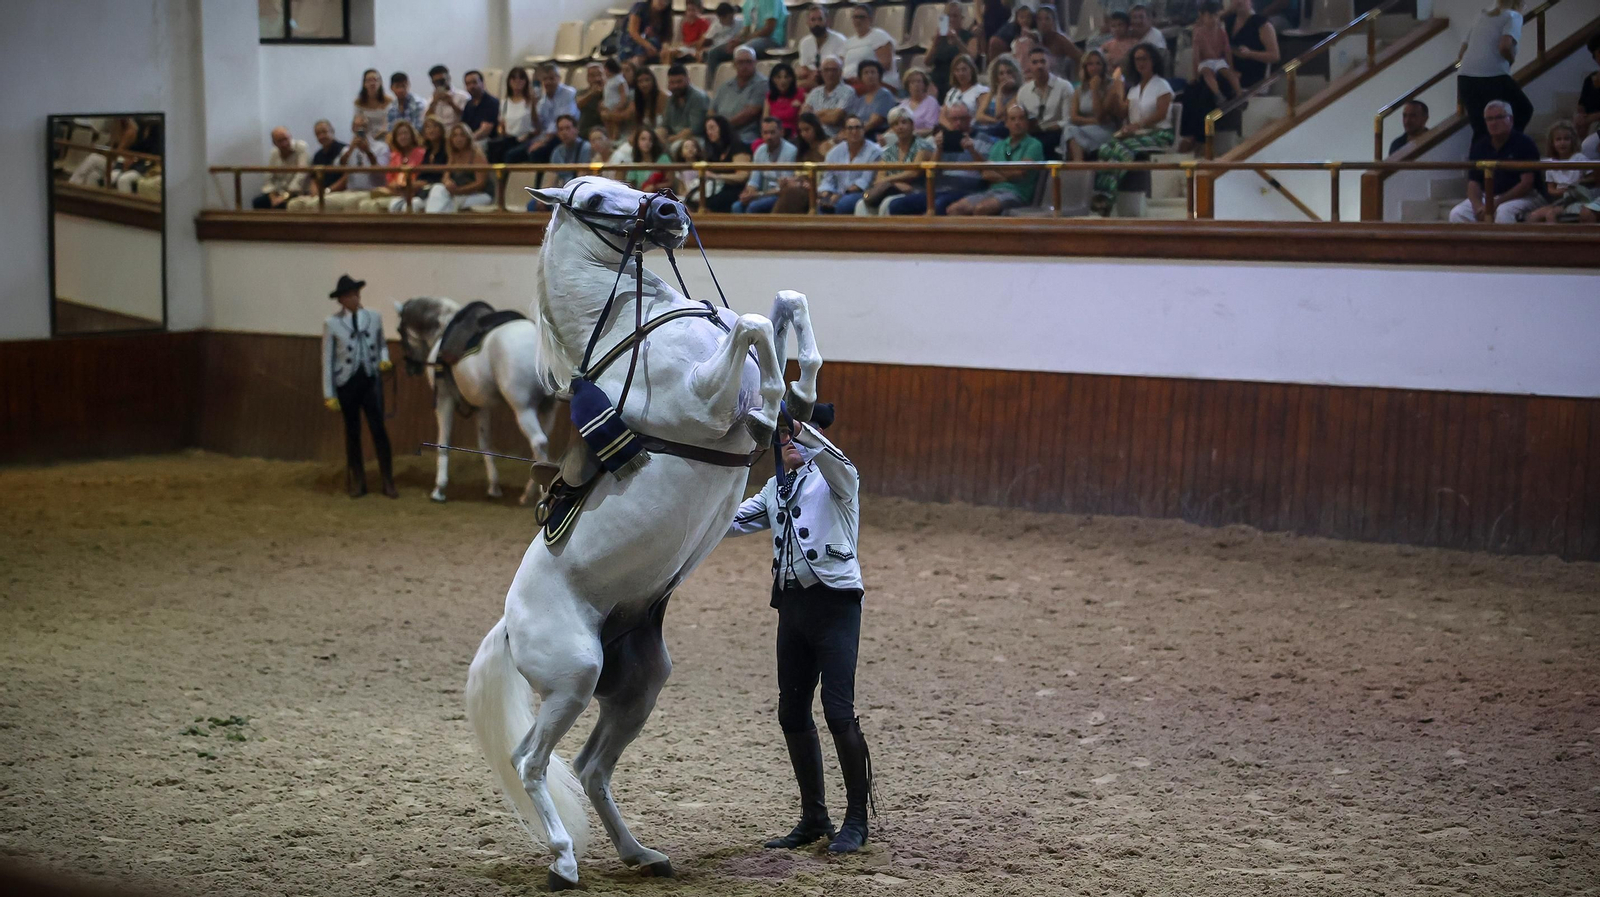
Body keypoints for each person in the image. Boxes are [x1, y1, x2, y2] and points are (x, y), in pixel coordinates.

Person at [726, 408, 874, 856]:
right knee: (791, 713)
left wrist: (800, 428)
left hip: (835, 606)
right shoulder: (775, 489)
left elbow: (834, 461)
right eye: (783, 438)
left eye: (796, 437)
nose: (788, 443)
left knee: (838, 712)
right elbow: (727, 521)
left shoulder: (837, 478)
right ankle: (813, 818)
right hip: (792, 608)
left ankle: (856, 820)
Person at [322, 274, 396, 499]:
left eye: (354, 294)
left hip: (370, 380)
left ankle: (388, 480)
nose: (353, 298)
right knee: (352, 432)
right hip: (347, 382)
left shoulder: (373, 317)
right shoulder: (332, 324)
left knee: (379, 430)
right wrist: (329, 393)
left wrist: (384, 358)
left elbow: (382, 343)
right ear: (341, 300)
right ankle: (358, 481)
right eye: (347, 296)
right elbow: (327, 359)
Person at [1093, 43, 1173, 214]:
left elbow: (1161, 114)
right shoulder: (1134, 89)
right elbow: (1123, 112)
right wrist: (1116, 91)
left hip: (1159, 133)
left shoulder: (1162, 85)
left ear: (1153, 61)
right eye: (1137, 59)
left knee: (1123, 150)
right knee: (1105, 149)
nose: (1140, 63)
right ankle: (1100, 194)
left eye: (1144, 58)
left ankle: (1108, 197)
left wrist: (1138, 125)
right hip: (1137, 134)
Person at [886, 102, 993, 215]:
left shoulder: (983, 139)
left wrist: (972, 150)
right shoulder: (941, 139)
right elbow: (932, 171)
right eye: (954, 119)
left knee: (938, 205)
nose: (958, 123)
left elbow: (987, 171)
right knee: (896, 205)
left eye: (962, 119)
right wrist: (938, 149)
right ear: (948, 120)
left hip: (969, 191)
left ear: (970, 119)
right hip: (940, 189)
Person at [1448, 100, 1545, 223]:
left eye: (1499, 117)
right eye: (1489, 119)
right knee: (1457, 213)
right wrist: (1478, 206)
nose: (1494, 123)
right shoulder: (1480, 146)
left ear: (1511, 119)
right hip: (1488, 196)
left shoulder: (1525, 143)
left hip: (1524, 197)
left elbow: (1526, 183)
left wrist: (1495, 203)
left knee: (1503, 212)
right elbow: (1473, 183)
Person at [1457, 0, 1533, 144]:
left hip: (1465, 77)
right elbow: (1504, 46)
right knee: (1523, 109)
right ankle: (1509, 146)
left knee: (1480, 127)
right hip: (1492, 75)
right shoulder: (1513, 16)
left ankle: (1479, 162)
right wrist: (1510, 61)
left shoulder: (1482, 15)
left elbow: (1462, 53)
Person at [948, 104, 1044, 215]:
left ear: (1027, 122)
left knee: (981, 208)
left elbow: (1019, 172)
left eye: (1021, 118)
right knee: (954, 209)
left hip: (1017, 194)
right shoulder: (999, 145)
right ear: (1006, 123)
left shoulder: (1034, 144)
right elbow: (986, 174)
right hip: (992, 192)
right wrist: (1007, 174)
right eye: (1012, 119)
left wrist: (995, 168)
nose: (1017, 122)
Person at [861, 105, 935, 214]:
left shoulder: (922, 146)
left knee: (887, 204)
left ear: (912, 125)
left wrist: (889, 181)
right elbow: (879, 178)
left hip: (917, 191)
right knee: (861, 204)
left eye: (904, 122)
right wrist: (894, 184)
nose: (900, 127)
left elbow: (913, 173)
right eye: (895, 124)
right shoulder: (889, 150)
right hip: (892, 189)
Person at [511, 63, 580, 166]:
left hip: (562, 135)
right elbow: (537, 126)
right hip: (543, 136)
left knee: (536, 153)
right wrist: (533, 105)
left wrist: (543, 142)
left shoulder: (568, 93)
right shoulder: (543, 99)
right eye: (545, 79)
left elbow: (563, 122)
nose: (548, 82)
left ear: (558, 78)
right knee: (511, 154)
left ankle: (537, 182)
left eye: (551, 79)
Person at [1526, 120, 1593, 223]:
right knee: (1532, 216)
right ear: (1552, 143)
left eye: (1566, 139)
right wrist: (1562, 191)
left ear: (1573, 141)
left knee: (1551, 215)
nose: (1562, 143)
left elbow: (1593, 178)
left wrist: (1579, 184)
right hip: (1561, 200)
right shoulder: (1551, 163)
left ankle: (1557, 238)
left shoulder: (1579, 158)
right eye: (1558, 139)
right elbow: (1550, 189)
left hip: (1579, 199)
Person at [418, 122, 494, 213]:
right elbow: (446, 175)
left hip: (479, 194)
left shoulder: (477, 155)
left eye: (462, 135)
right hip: (456, 194)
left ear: (468, 137)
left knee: (449, 204)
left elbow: (480, 184)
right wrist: (447, 182)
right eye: (455, 136)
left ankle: (432, 222)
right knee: (438, 188)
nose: (458, 139)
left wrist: (458, 191)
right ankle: (432, 218)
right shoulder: (453, 155)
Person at [1064, 49, 1124, 161]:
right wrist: (1093, 121)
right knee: (1069, 128)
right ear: (1085, 67)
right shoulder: (1079, 89)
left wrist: (1095, 90)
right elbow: (1073, 117)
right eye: (1090, 64)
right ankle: (1079, 165)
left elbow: (1100, 115)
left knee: (1071, 132)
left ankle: (1079, 166)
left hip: (1105, 130)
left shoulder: (1111, 86)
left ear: (1103, 66)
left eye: (1098, 63)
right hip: (1086, 128)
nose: (1094, 67)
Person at [818, 115, 883, 214]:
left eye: (858, 128)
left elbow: (865, 181)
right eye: (850, 128)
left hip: (865, 193)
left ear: (863, 130)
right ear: (844, 132)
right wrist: (826, 194)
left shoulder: (874, 151)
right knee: (820, 206)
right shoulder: (834, 152)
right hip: (836, 193)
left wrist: (840, 195)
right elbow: (828, 179)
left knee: (843, 204)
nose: (854, 132)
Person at [326, 113, 391, 211]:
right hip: (350, 191)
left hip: (372, 191)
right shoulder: (347, 149)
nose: (360, 129)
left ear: (369, 128)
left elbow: (381, 172)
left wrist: (368, 152)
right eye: (357, 126)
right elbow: (337, 168)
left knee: (350, 202)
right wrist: (351, 149)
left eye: (363, 126)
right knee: (322, 201)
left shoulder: (381, 147)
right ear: (352, 128)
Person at [1019, 47, 1073, 158]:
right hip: (1032, 134)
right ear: (1029, 66)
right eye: (1035, 62)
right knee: (1009, 144)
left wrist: (1046, 127)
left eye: (1043, 61)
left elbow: (1069, 120)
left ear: (1050, 63)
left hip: (1057, 134)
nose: (1039, 66)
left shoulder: (1064, 87)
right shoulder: (1023, 91)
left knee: (1036, 146)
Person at [734, 117, 797, 212]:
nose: (769, 137)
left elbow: (785, 187)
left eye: (772, 132)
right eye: (765, 133)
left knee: (753, 207)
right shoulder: (760, 150)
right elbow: (754, 180)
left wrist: (758, 195)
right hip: (761, 194)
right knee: (737, 206)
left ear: (781, 132)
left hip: (780, 195)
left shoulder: (791, 151)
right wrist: (748, 193)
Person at [708, 0, 786, 73]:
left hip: (771, 40)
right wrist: (735, 40)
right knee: (714, 53)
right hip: (752, 40)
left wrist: (742, 41)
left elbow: (768, 29)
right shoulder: (748, 3)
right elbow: (746, 29)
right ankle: (711, 86)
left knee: (742, 51)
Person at [712, 46, 770, 145]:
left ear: (755, 63)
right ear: (734, 64)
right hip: (719, 133)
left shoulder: (763, 83)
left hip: (745, 134)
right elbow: (712, 111)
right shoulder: (725, 86)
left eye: (749, 62)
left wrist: (723, 127)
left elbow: (750, 113)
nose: (745, 66)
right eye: (741, 62)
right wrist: (713, 128)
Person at [391, 117, 448, 212]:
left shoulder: (447, 148)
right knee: (394, 206)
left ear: (441, 129)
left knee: (409, 207)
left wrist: (424, 183)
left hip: (438, 189)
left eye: (434, 126)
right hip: (422, 190)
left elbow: (444, 172)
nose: (431, 130)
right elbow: (423, 173)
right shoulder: (428, 151)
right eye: (428, 127)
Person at [1191, 1, 1241, 106]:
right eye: (1210, 16)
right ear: (1202, 16)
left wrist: (1231, 68)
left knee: (1229, 74)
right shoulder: (1198, 33)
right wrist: (1195, 75)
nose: (1214, 20)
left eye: (1216, 16)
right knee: (1207, 74)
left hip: (1219, 61)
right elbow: (1196, 55)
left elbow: (1227, 51)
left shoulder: (1222, 32)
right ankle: (1218, 95)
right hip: (1205, 62)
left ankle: (1240, 95)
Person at [701, 114, 753, 211]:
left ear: (722, 128)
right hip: (718, 189)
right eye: (707, 129)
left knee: (711, 203)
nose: (709, 132)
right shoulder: (714, 151)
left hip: (737, 189)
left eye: (712, 128)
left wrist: (717, 176)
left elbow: (743, 176)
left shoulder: (738, 148)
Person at [1223, 0, 1278, 91]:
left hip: (1252, 75)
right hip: (1231, 72)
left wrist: (1250, 54)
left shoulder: (1262, 24)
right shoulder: (1229, 21)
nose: (1239, 1)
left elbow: (1275, 56)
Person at [928, 1, 979, 99]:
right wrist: (935, 43)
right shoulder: (939, 38)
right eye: (948, 16)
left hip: (958, 77)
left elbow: (972, 59)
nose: (951, 19)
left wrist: (957, 41)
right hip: (937, 77)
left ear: (961, 18)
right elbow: (927, 62)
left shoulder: (969, 37)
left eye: (955, 16)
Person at [803, 56, 859, 140]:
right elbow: (804, 117)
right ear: (821, 72)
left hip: (836, 137)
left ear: (841, 72)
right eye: (826, 70)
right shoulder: (815, 92)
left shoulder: (848, 91)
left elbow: (834, 119)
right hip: (813, 137)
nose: (830, 73)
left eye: (834, 70)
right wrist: (826, 113)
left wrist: (814, 115)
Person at [842, 3, 897, 88]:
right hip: (849, 83)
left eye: (862, 17)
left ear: (870, 19)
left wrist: (861, 77)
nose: (858, 20)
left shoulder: (880, 36)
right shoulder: (848, 42)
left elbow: (885, 65)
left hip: (874, 83)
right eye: (855, 17)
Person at [254, 127, 310, 209]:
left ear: (290, 137)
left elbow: (301, 175)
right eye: (280, 141)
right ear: (274, 143)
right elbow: (268, 177)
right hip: (278, 192)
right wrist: (272, 196)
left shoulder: (301, 147)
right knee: (258, 202)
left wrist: (284, 197)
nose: (284, 143)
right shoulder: (274, 153)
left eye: (286, 139)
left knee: (281, 205)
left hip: (298, 193)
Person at [488, 66, 536, 164]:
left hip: (525, 139)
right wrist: (502, 131)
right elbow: (501, 123)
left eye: (521, 78)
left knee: (510, 155)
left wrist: (528, 135)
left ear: (526, 81)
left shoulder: (530, 102)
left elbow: (537, 125)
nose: (517, 82)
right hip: (509, 138)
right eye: (514, 78)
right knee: (493, 147)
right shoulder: (505, 103)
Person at [797, 2, 848, 91]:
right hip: (812, 79)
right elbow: (804, 68)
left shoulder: (840, 40)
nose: (817, 23)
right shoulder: (804, 42)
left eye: (820, 19)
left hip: (833, 79)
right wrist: (812, 74)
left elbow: (841, 66)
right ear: (808, 23)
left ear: (827, 21)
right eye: (813, 20)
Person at [662, 64, 711, 156]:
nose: (676, 86)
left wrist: (673, 138)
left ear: (688, 79)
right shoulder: (671, 98)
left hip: (696, 139)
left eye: (679, 82)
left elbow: (695, 129)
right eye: (672, 82)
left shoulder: (698, 97)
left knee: (675, 147)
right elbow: (665, 125)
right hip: (675, 137)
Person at [976, 57, 1023, 137]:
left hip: (1001, 133)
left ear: (1014, 74)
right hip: (986, 129)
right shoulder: (990, 93)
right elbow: (979, 116)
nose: (1005, 76)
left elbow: (999, 114)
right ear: (996, 77)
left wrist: (1000, 92)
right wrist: (995, 121)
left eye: (1009, 72)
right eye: (1001, 74)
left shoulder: (1018, 94)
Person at [1033, 5, 1083, 79]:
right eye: (1040, 19)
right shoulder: (1035, 39)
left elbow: (1080, 58)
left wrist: (1076, 80)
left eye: (1047, 19)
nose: (1043, 22)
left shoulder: (1061, 40)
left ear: (1053, 21)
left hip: (1059, 82)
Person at [852, 61, 898, 139]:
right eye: (866, 73)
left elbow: (874, 122)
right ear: (861, 77)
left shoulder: (884, 94)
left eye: (873, 72)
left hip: (877, 135)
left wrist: (853, 134)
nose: (870, 76)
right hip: (860, 134)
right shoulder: (860, 99)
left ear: (879, 75)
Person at [622, 0, 674, 66]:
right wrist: (647, 45)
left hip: (653, 48)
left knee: (657, 44)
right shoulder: (640, 7)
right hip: (630, 43)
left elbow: (667, 37)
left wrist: (665, 46)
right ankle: (635, 63)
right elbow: (632, 32)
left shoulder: (666, 15)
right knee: (651, 44)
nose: (662, 2)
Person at [941, 54, 990, 124]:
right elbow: (942, 116)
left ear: (971, 70)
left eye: (964, 70)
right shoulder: (951, 92)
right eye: (957, 70)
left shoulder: (981, 91)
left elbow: (981, 117)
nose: (961, 73)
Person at [460, 70, 500, 147]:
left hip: (486, 139)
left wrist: (468, 140)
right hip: (471, 138)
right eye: (468, 84)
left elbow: (486, 130)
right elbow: (463, 125)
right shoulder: (469, 104)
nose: (471, 86)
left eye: (474, 82)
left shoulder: (491, 102)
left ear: (482, 83)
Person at [1576, 33, 1600, 158]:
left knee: (1589, 145)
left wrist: (1590, 118)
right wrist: (1581, 115)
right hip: (1590, 124)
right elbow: (1582, 104)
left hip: (1595, 122)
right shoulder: (1590, 79)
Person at [631, 67, 670, 143]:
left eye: (647, 80)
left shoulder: (663, 97)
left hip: (663, 136)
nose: (644, 84)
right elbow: (637, 126)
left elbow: (667, 125)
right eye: (640, 81)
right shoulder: (637, 101)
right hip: (645, 138)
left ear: (653, 81)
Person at [766, 62, 805, 138]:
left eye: (786, 77)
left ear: (792, 79)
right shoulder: (770, 96)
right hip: (773, 135)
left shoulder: (800, 94)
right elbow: (765, 120)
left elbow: (805, 119)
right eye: (778, 77)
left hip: (793, 135)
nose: (783, 81)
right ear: (773, 79)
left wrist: (801, 107)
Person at [898, 68, 941, 136]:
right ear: (908, 86)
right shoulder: (903, 104)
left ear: (924, 85)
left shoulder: (931, 103)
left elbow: (931, 129)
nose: (916, 85)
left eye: (919, 81)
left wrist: (911, 134)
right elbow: (896, 126)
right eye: (912, 82)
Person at [600, 58, 634, 142]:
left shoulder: (619, 79)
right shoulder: (609, 80)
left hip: (616, 106)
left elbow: (623, 94)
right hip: (608, 106)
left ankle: (615, 138)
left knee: (615, 123)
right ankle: (610, 137)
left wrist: (620, 105)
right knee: (607, 122)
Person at [354, 68, 392, 139]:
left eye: (375, 80)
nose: (372, 83)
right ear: (364, 84)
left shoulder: (389, 101)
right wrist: (359, 123)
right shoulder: (359, 103)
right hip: (366, 137)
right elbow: (355, 127)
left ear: (380, 83)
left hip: (385, 136)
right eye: (369, 80)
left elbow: (390, 123)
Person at [576, 63, 607, 137]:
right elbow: (578, 104)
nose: (597, 79)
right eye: (592, 76)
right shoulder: (582, 93)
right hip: (585, 132)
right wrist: (591, 93)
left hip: (604, 132)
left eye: (600, 74)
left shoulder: (610, 92)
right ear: (588, 78)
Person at [673, 136, 705, 203]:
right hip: (687, 196)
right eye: (686, 147)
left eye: (693, 146)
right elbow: (681, 189)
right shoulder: (680, 170)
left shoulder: (702, 166)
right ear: (681, 153)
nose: (690, 149)